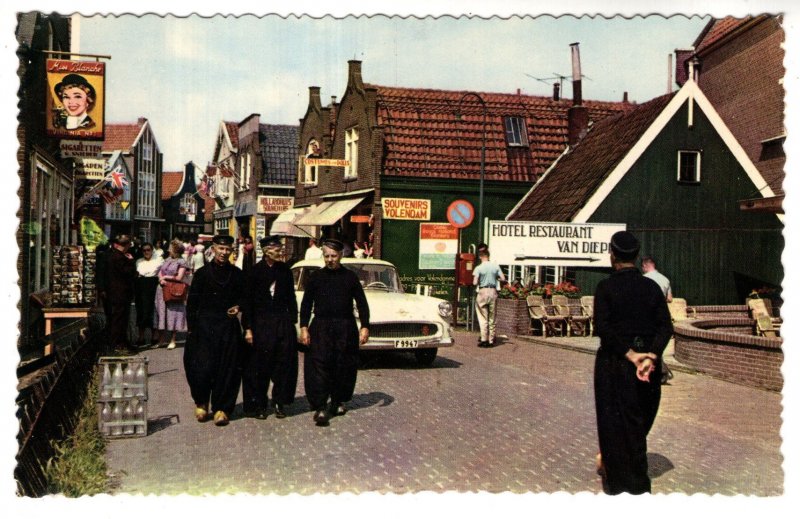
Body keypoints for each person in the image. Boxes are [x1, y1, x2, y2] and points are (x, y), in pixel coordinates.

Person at [593, 231, 673, 495]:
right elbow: (665, 327)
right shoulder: (651, 288)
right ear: (637, 257)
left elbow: (603, 328)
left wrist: (630, 354)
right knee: (639, 422)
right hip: (648, 368)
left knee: (612, 422)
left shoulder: (605, 288)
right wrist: (651, 354)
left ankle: (616, 483)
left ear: (613, 255)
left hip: (614, 365)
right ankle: (638, 482)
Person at [299, 238, 370, 426]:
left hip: (345, 326)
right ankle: (321, 407)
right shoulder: (315, 277)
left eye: (334, 256)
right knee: (319, 367)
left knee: (343, 366)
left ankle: (338, 401)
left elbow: (362, 303)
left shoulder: (350, 277)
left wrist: (364, 326)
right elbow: (306, 305)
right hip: (321, 326)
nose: (330, 260)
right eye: (327, 256)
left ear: (341, 256)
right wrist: (304, 327)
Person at [184, 234, 246, 426]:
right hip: (204, 328)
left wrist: (238, 307)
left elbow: (245, 298)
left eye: (228, 249)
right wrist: (192, 328)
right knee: (201, 368)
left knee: (226, 369)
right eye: (221, 249)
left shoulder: (236, 274)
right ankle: (202, 403)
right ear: (213, 249)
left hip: (227, 328)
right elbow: (192, 303)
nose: (224, 253)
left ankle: (222, 408)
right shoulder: (202, 274)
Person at [241, 236, 298, 420]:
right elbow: (247, 302)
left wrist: (293, 322)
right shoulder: (254, 272)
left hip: (282, 323)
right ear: (266, 251)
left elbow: (291, 298)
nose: (280, 250)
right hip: (261, 325)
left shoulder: (285, 271)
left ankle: (280, 403)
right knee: (260, 367)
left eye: (280, 247)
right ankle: (260, 405)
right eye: (276, 247)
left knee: (283, 365)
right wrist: (248, 328)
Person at [99, 234, 136, 352]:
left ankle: (116, 343)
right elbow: (128, 272)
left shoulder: (106, 255)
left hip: (109, 292)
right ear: (126, 245)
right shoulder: (121, 258)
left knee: (112, 318)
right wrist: (131, 261)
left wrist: (102, 289)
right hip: (121, 293)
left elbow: (101, 274)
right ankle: (117, 344)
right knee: (120, 320)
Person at [641, 255, 675, 384]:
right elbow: (670, 299)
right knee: (658, 344)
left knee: (648, 345)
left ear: (645, 265)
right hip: (661, 316)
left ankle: (657, 371)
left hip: (647, 316)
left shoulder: (643, 280)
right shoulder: (665, 279)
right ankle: (660, 371)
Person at [153, 240, 188, 350]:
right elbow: (160, 271)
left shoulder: (181, 261)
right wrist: (160, 279)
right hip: (162, 288)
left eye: (170, 248)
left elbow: (179, 277)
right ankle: (161, 339)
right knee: (161, 312)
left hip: (174, 290)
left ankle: (173, 339)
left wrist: (166, 278)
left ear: (176, 250)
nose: (168, 249)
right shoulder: (167, 259)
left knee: (173, 313)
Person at [472, 248, 506, 348]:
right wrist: (495, 278)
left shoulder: (478, 268)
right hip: (493, 291)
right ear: (488, 256)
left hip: (482, 292)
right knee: (492, 317)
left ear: (480, 257)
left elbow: (474, 282)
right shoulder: (495, 266)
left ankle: (483, 340)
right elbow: (503, 278)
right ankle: (491, 340)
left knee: (483, 317)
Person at [134, 243, 163, 348]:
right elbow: (137, 273)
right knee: (141, 310)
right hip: (141, 286)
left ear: (152, 250)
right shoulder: (139, 261)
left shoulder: (158, 260)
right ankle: (141, 337)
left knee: (152, 310)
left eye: (148, 250)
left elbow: (160, 273)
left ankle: (154, 336)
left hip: (153, 285)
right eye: (144, 250)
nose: (146, 252)